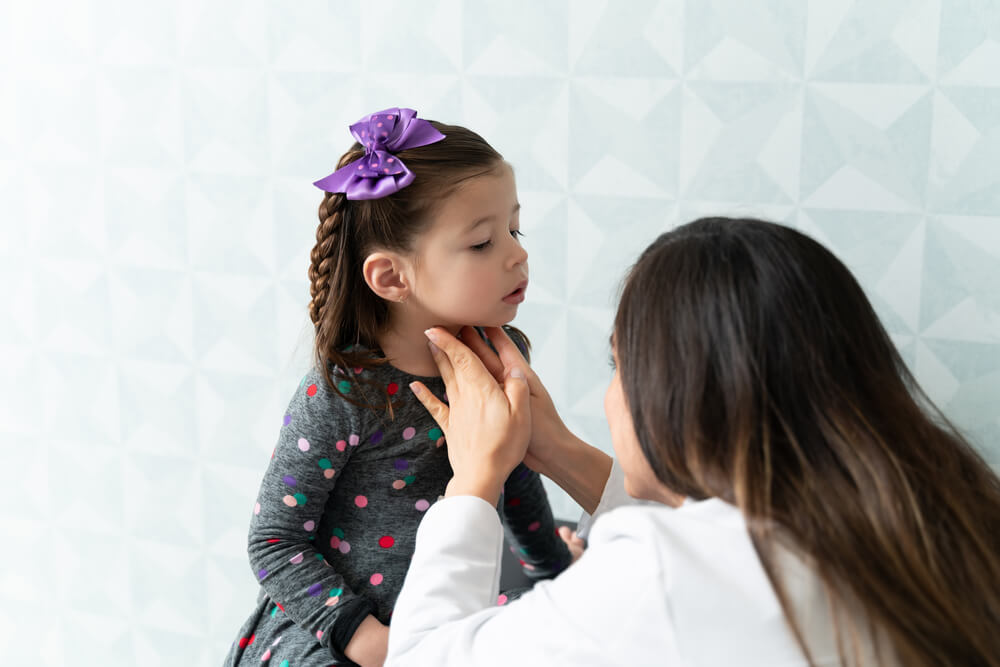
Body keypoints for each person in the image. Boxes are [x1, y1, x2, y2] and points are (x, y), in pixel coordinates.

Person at [388, 217, 1000, 666]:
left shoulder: (663, 578)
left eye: (617, 368)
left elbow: (421, 659)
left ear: (673, 392)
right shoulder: (951, 511)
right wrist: (559, 453)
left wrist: (472, 483)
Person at [224, 108, 570, 667]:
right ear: (391, 278)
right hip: (349, 629)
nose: (518, 253)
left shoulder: (503, 356)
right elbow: (274, 543)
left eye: (515, 228)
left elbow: (516, 472)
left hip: (453, 608)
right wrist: (371, 643)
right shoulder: (343, 395)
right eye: (482, 242)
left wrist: (555, 571)